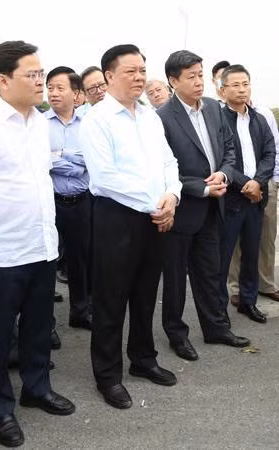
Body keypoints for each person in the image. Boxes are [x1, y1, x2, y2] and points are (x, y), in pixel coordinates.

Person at [0, 41, 75, 448]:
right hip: (2, 253)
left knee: (39, 328)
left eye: (42, 73)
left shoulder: (39, 123)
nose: (42, 81)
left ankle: (36, 388)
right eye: (32, 74)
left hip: (42, 247)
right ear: (3, 80)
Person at [80, 44, 182, 410]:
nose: (139, 77)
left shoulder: (150, 116)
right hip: (117, 218)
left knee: (144, 294)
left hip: (156, 215)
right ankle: (108, 375)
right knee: (111, 299)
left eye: (142, 70)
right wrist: (155, 204)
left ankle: (143, 359)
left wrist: (172, 196)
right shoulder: (97, 119)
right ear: (109, 76)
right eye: (131, 71)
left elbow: (169, 161)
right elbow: (105, 177)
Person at [157, 50, 251, 362]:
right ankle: (177, 334)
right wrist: (201, 187)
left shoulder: (213, 107)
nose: (199, 82)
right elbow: (161, 169)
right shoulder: (162, 118)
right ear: (173, 81)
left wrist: (223, 173)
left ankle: (216, 327)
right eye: (191, 76)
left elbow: (228, 148)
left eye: (200, 75)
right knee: (174, 279)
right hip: (182, 210)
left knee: (210, 272)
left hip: (214, 208)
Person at [218, 64, 276, 324]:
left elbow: (270, 154)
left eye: (246, 84)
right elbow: (221, 160)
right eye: (235, 85)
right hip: (231, 198)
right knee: (224, 257)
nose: (242, 90)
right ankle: (217, 309)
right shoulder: (217, 120)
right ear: (222, 90)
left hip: (256, 198)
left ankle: (248, 301)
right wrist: (246, 184)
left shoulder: (258, 118)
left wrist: (258, 181)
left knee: (252, 254)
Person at [44, 65, 93, 330]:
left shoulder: (89, 125)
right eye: (49, 88)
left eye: (59, 88)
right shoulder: (39, 124)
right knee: (47, 260)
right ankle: (46, 323)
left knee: (79, 259)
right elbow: (43, 161)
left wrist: (59, 156)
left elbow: (90, 161)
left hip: (81, 201)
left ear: (76, 94)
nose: (53, 93)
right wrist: (71, 160)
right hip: (50, 201)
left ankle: (80, 312)